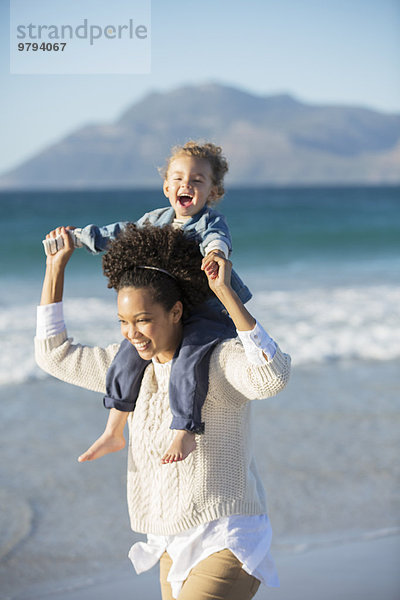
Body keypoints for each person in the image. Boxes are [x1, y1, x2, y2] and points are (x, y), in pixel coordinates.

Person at [35, 223, 291, 600]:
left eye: (143, 320)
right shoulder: (130, 369)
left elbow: (272, 375)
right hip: (169, 545)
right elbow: (54, 355)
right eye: (123, 322)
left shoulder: (218, 362)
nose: (131, 333)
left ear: (175, 311)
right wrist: (55, 269)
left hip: (227, 539)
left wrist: (225, 293)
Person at [46, 141, 252, 465]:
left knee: (187, 360)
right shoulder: (156, 220)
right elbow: (118, 235)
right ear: (167, 187)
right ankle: (114, 429)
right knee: (127, 355)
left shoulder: (211, 223)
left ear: (213, 191)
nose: (187, 185)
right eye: (179, 178)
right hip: (164, 315)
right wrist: (76, 237)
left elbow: (218, 242)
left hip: (205, 313)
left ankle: (185, 429)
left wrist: (214, 255)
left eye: (198, 180)